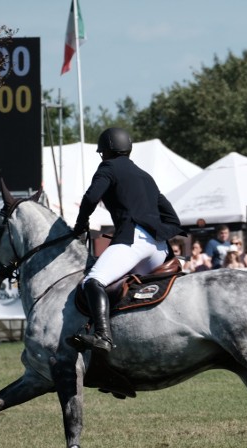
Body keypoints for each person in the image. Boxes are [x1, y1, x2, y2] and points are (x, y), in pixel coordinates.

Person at [68, 127, 186, 353]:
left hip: (134, 241)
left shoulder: (108, 167)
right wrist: (162, 231)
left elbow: (91, 197)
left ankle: (103, 335)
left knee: (93, 281)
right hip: (159, 247)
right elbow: (172, 216)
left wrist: (80, 224)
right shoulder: (145, 176)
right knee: (126, 286)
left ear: (106, 151)